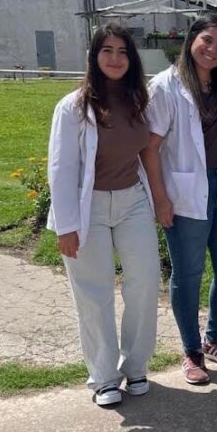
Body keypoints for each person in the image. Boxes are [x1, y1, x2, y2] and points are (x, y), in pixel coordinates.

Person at [47, 23, 160, 406]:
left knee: (144, 283)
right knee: (93, 292)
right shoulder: (74, 106)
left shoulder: (140, 100)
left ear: (132, 58)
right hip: (87, 206)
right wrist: (66, 226)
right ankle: (104, 376)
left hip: (132, 201)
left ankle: (136, 366)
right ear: (94, 56)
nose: (115, 58)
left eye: (123, 51)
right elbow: (61, 169)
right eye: (107, 50)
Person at [142, 14, 217, 384]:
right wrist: (160, 199)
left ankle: (214, 338)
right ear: (191, 40)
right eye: (207, 40)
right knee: (188, 274)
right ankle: (190, 350)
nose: (213, 50)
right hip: (187, 191)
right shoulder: (165, 86)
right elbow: (150, 148)